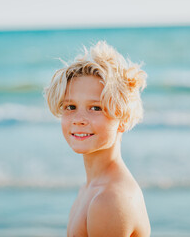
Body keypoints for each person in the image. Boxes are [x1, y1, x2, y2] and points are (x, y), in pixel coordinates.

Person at [44, 41, 150, 237]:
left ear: (123, 119)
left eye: (95, 108)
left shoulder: (110, 200)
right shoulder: (90, 188)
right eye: (71, 107)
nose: (79, 120)